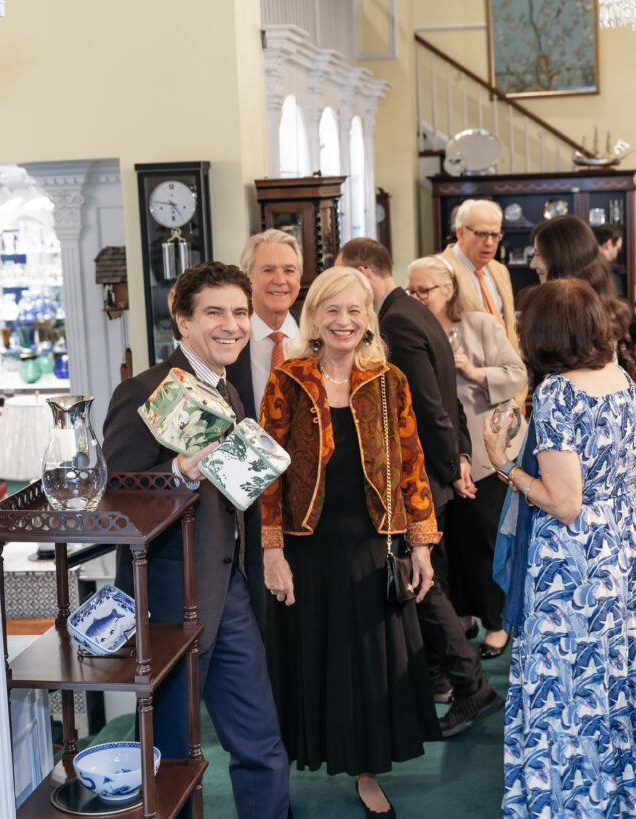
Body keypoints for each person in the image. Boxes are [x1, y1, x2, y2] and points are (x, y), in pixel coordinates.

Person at [483, 278, 636, 817]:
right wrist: (612, 510)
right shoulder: (621, 379)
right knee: (620, 677)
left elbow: (564, 503)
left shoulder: (557, 393)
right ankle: (629, 800)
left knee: (568, 684)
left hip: (572, 566)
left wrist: (504, 466)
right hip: (625, 550)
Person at [103, 262, 290, 819]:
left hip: (229, 589)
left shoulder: (229, 390)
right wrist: (179, 472)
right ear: (183, 321)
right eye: (214, 312)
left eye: (240, 312)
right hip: (168, 601)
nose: (231, 325)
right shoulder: (142, 391)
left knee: (262, 743)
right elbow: (114, 499)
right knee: (172, 757)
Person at [260, 266, 440, 819]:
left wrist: (421, 544)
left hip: (372, 547)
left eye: (354, 310)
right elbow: (266, 471)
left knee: (367, 668)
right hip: (306, 549)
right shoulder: (288, 379)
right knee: (309, 663)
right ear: (314, 317)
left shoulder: (388, 380)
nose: (343, 321)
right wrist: (271, 550)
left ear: (369, 319)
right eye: (332, 310)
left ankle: (367, 772)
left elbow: (412, 463)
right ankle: (284, 775)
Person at [337, 237, 504, 738]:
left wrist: (453, 466)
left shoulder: (396, 321)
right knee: (431, 582)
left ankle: (470, 686)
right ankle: (442, 680)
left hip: (420, 477)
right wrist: (460, 457)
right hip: (434, 471)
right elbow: (446, 400)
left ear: (364, 273)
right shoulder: (413, 311)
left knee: (421, 583)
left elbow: (428, 404)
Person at [407, 254, 527, 659]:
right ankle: (462, 616)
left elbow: (517, 373)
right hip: (441, 455)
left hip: (487, 453)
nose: (417, 297)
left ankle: (497, 624)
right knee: (452, 545)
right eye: (412, 290)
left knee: (485, 541)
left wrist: (476, 373)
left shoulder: (479, 325)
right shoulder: (411, 331)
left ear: (449, 289)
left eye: (424, 290)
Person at [530, 215, 636, 391]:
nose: (532, 264)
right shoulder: (598, 302)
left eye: (537, 254)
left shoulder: (565, 315)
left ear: (560, 258)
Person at [226, 228, 302, 420]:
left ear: (299, 279)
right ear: (247, 278)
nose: (280, 280)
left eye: (289, 270)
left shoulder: (318, 334)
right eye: (268, 270)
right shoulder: (228, 338)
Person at [439, 199, 518, 351]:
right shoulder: (439, 271)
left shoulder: (500, 270)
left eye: (495, 235)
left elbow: (509, 325)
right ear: (460, 233)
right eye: (481, 234)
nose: (489, 243)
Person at [593, 222, 636, 345]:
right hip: (604, 334)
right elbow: (621, 303)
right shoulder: (607, 271)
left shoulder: (582, 266)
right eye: (617, 249)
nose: (616, 255)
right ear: (608, 244)